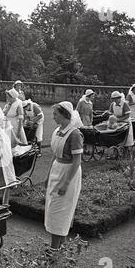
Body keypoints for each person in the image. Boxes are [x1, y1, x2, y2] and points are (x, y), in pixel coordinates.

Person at [45, 101, 83, 250]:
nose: (53, 117)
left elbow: (77, 161)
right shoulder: (57, 130)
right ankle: (61, 244)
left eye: (55, 114)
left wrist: (65, 183)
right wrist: (49, 176)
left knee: (60, 211)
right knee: (53, 208)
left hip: (69, 172)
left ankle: (54, 248)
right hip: (57, 169)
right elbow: (55, 156)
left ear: (64, 115)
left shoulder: (75, 134)